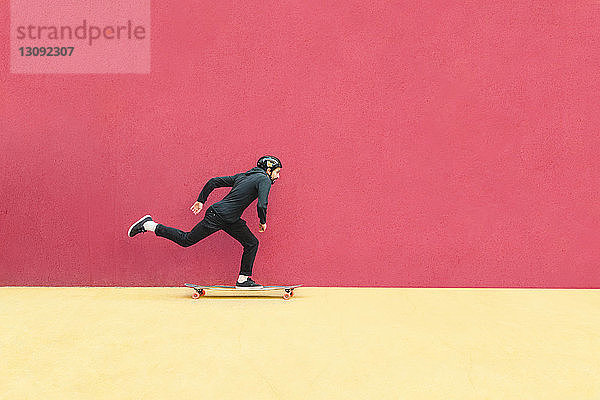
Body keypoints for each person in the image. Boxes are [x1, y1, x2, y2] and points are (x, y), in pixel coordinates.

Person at [127, 155, 282, 289]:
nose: (278, 176)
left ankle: (243, 280)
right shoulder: (264, 179)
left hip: (230, 219)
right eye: (277, 172)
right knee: (186, 240)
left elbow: (213, 181)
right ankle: (149, 225)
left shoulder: (243, 176)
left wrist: (201, 200)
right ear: (268, 170)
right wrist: (263, 221)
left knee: (251, 243)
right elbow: (262, 204)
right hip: (219, 216)